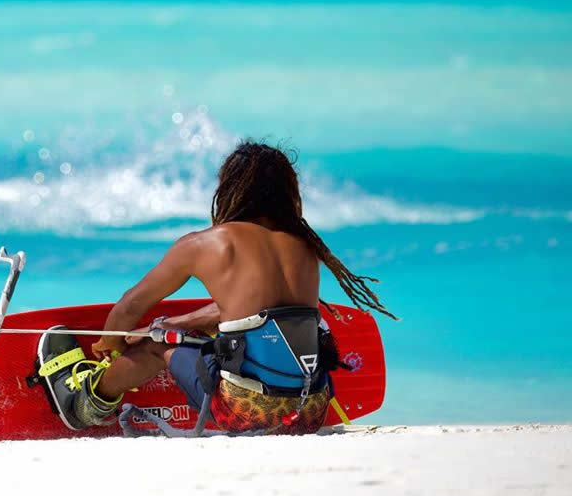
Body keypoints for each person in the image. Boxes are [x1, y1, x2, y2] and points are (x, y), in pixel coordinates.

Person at [36, 141, 395, 434]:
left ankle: (85, 402)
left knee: (151, 344)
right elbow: (259, 316)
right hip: (311, 408)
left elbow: (130, 306)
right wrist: (179, 323)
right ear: (288, 192)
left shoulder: (206, 244)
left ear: (230, 188)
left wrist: (112, 342)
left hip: (244, 411)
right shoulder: (305, 247)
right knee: (184, 333)